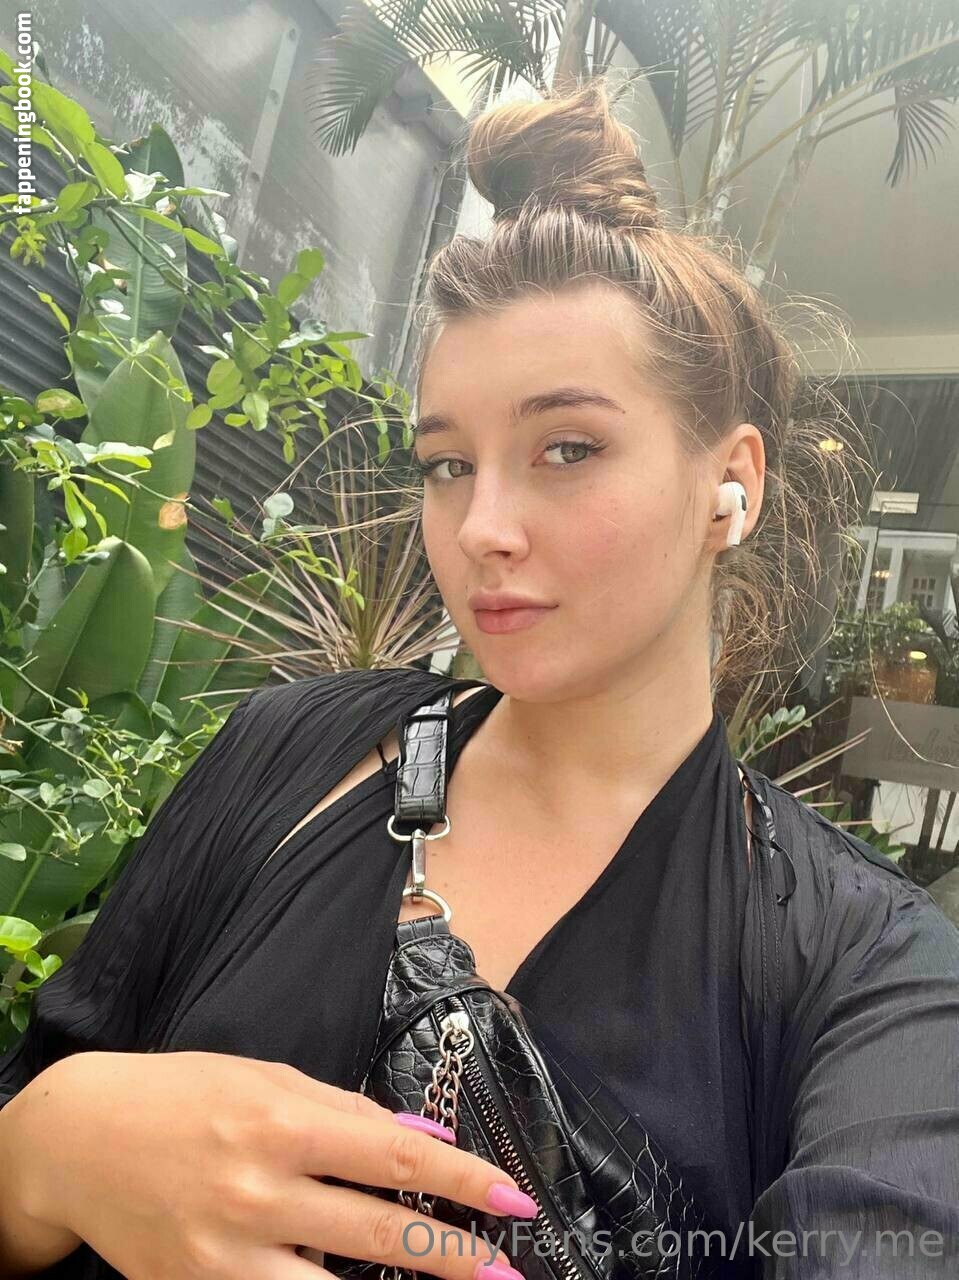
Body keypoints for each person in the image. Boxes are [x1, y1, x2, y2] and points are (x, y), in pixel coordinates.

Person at [1, 76, 957, 1280]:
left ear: (733, 483)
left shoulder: (860, 962)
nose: (481, 528)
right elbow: (48, 1079)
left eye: (567, 447)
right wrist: (41, 1150)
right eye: (446, 463)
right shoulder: (289, 751)